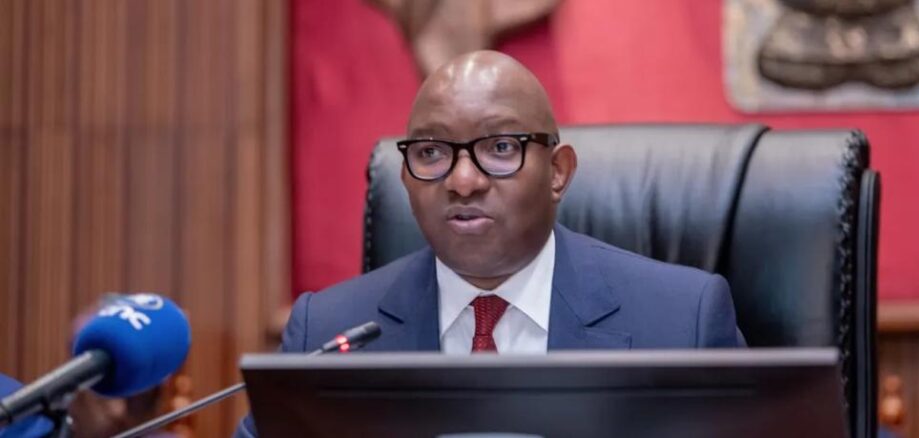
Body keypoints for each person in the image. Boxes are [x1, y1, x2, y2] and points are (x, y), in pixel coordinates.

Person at [234, 50, 744, 437]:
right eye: (431, 152)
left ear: (558, 172)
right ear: (406, 177)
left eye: (500, 147)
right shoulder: (325, 335)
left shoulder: (683, 323)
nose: (463, 181)